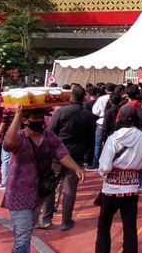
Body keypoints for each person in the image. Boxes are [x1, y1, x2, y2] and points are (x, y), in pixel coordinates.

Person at [2, 104, 84, 253]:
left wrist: (76, 168)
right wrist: (17, 115)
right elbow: (8, 144)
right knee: (23, 235)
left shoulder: (50, 137)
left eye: (41, 118)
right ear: (26, 121)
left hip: (38, 194)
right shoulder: (19, 137)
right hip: (18, 192)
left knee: (25, 232)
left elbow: (62, 154)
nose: (40, 120)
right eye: (36, 118)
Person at [96, 105, 142, 253]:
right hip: (132, 190)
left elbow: (104, 167)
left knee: (104, 225)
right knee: (129, 228)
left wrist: (106, 172)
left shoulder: (114, 138)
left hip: (110, 190)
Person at [40, 84, 96, 231]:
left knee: (51, 186)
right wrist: (87, 157)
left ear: (70, 96)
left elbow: (50, 132)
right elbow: (91, 139)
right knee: (69, 189)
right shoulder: (89, 115)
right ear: (84, 97)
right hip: (76, 156)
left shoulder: (61, 112)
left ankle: (46, 219)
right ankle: (66, 221)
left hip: (57, 154)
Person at [88, 83, 114, 170]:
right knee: (111, 144)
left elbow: (95, 111)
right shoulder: (116, 98)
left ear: (106, 90)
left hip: (101, 122)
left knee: (98, 144)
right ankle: (110, 162)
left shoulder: (101, 99)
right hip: (113, 123)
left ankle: (96, 163)